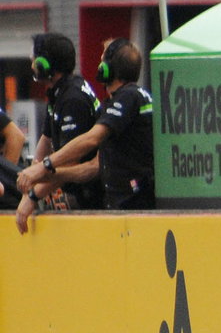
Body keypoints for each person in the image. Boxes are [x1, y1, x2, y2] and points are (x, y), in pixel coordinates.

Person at [16, 39, 153, 234]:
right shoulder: (124, 99)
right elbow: (93, 167)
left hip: (133, 207)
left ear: (107, 69)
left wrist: (44, 168)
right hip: (122, 207)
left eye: (102, 60)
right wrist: (38, 179)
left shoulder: (127, 98)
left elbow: (91, 139)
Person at [28, 32, 103, 210]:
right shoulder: (59, 93)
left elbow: (70, 162)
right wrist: (31, 176)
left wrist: (32, 196)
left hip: (88, 197)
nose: (32, 64)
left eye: (35, 60)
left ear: (44, 65)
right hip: (76, 192)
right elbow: (46, 139)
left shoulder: (72, 99)